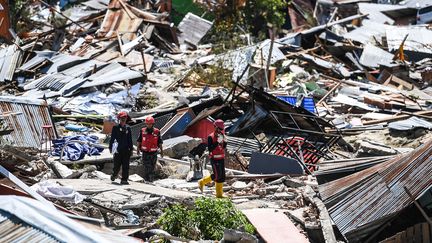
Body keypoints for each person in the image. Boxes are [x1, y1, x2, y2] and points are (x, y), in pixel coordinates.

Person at [198, 119, 227, 198]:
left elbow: (223, 147)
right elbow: (210, 149)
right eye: (220, 129)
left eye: (222, 129)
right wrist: (217, 142)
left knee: (222, 176)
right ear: (215, 127)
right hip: (214, 159)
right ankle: (202, 182)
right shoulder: (211, 137)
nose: (221, 130)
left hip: (221, 158)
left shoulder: (221, 135)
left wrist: (224, 141)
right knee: (217, 176)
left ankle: (219, 194)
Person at [109, 111, 133, 185]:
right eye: (122, 118)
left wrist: (131, 149)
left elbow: (130, 139)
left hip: (126, 150)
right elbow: (112, 138)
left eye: (125, 117)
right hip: (118, 150)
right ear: (119, 119)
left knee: (126, 166)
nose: (123, 119)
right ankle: (114, 174)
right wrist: (110, 148)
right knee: (117, 165)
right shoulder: (115, 128)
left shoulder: (128, 128)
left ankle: (124, 179)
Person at [137, 116, 163, 181]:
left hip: (153, 153)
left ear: (153, 124)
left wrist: (162, 151)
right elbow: (139, 140)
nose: (149, 125)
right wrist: (137, 149)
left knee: (152, 166)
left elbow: (160, 142)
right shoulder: (142, 131)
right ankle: (148, 178)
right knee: (146, 165)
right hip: (145, 152)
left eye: (150, 124)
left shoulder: (157, 132)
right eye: (147, 124)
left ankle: (150, 178)